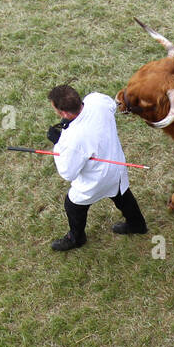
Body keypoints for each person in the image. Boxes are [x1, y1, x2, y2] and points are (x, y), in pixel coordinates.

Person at [47, 84, 147, 250]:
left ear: (63, 113)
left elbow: (68, 173)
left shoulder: (70, 140)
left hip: (95, 181)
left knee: (72, 205)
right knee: (123, 195)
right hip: (117, 168)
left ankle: (76, 238)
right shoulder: (97, 100)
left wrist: (58, 144)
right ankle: (137, 225)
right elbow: (111, 106)